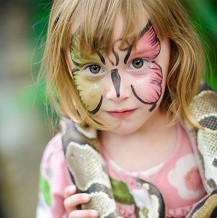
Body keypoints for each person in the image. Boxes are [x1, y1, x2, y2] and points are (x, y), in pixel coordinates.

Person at [36, 0, 217, 217]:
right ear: (66, 66)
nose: (117, 92)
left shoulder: (204, 124)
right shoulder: (60, 160)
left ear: (175, 48)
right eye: (94, 68)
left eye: (138, 63)